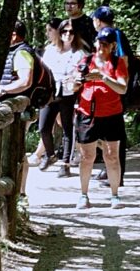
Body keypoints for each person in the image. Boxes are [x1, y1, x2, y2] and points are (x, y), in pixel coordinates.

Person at [74, 27, 131, 208]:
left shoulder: (118, 63)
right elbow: (73, 87)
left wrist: (103, 77)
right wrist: (76, 84)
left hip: (112, 115)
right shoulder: (85, 61)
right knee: (87, 156)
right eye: (99, 42)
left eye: (106, 44)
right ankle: (83, 195)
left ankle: (114, 196)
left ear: (113, 45)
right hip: (86, 114)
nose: (101, 47)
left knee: (112, 156)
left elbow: (122, 88)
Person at [35, 19, 83, 171]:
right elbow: (43, 69)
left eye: (71, 32)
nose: (67, 35)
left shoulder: (78, 52)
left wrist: (74, 77)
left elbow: (80, 72)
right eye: (64, 31)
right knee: (43, 127)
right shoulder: (50, 50)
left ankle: (66, 163)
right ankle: (50, 154)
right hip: (50, 93)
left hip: (67, 93)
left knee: (67, 128)